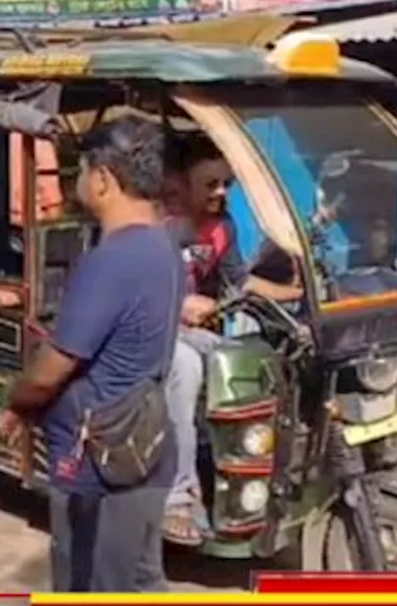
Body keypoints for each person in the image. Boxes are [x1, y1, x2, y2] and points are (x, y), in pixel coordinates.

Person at [0, 114, 184, 592]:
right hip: (148, 444)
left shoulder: (109, 262)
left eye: (81, 170)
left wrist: (14, 402)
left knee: (88, 582)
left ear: (102, 180)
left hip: (96, 464)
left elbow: (50, 371)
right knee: (138, 579)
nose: (78, 180)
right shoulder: (166, 246)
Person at [160, 137, 303, 546]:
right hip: (149, 329)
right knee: (184, 368)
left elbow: (239, 281)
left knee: (244, 362)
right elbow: (135, 285)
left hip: (193, 330)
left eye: (227, 184)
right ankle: (176, 497)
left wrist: (295, 294)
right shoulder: (159, 225)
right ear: (180, 182)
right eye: (210, 183)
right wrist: (178, 303)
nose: (221, 192)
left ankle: (249, 477)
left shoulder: (224, 227)